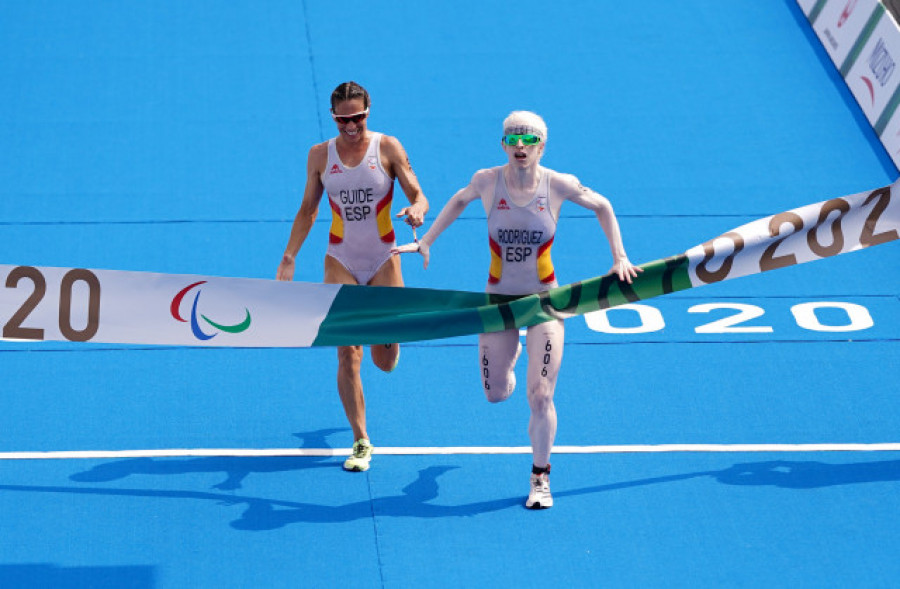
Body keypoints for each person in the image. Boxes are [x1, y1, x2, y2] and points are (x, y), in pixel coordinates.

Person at [395, 111, 640, 508]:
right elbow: (458, 201)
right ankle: (510, 357)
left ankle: (540, 478)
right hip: (498, 302)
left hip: (545, 303)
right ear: (503, 145)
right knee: (495, 394)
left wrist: (620, 257)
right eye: (513, 140)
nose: (520, 147)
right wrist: (427, 242)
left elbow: (603, 206)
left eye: (529, 141)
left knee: (540, 395)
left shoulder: (558, 185)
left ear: (542, 146)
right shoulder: (487, 181)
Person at [277, 81, 428, 472]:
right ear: (333, 117)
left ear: (368, 111)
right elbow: (308, 210)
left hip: (383, 258)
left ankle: (390, 344)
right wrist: (289, 256)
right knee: (347, 351)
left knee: (385, 359)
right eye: (343, 119)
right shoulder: (319, 156)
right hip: (340, 258)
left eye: (357, 117)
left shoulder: (387, 148)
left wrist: (417, 209)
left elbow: (418, 194)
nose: (351, 125)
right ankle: (361, 439)